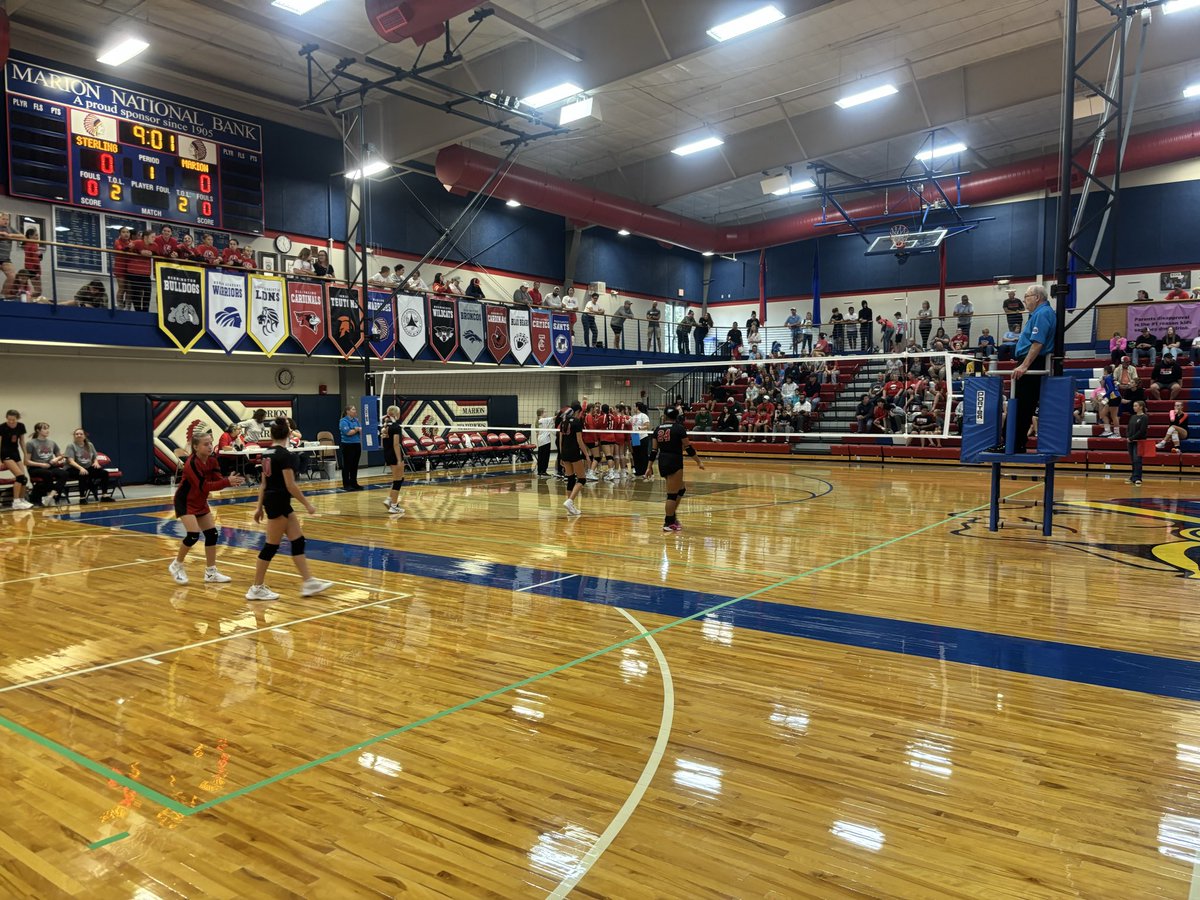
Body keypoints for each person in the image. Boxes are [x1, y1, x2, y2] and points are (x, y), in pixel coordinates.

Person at [246, 418, 334, 600]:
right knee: (271, 546)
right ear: (288, 434)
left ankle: (308, 582)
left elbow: (263, 484)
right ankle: (256, 588)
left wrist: (258, 507)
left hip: (276, 500)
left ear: (271, 434)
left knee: (298, 541)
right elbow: (290, 485)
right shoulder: (284, 455)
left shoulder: (266, 453)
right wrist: (307, 504)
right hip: (278, 501)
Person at [168, 430, 245, 585]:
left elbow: (216, 482)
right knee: (193, 535)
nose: (210, 447)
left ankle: (211, 573)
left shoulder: (212, 461)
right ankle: (176, 565)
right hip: (185, 501)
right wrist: (226, 482)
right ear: (196, 447)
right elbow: (204, 486)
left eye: (211, 443)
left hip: (200, 501)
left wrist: (229, 480)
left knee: (212, 534)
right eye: (206, 444)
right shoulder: (191, 464)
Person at [1001, 284, 1056, 454]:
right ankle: (1015, 442)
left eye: (1026, 296)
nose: (1024, 300)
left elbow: (1038, 342)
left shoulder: (1043, 313)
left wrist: (1024, 365)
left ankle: (1012, 443)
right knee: (1023, 405)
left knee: (1021, 405)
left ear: (1037, 297)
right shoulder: (1038, 314)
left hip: (1032, 363)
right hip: (1029, 361)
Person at [651, 407, 704, 533]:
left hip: (662, 460)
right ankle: (668, 522)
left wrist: (649, 467)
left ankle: (672, 517)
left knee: (681, 488)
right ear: (676, 416)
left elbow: (654, 451)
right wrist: (698, 461)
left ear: (664, 416)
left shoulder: (657, 429)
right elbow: (688, 448)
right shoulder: (679, 428)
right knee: (672, 494)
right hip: (674, 460)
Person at [24, 422, 69, 507]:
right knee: (47, 473)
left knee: (64, 473)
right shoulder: (31, 443)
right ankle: (50, 497)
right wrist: (41, 465)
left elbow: (60, 456)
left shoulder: (52, 443)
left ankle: (50, 496)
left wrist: (57, 459)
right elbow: (26, 462)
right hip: (35, 468)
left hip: (49, 466)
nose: (47, 431)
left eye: (48, 428)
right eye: (44, 429)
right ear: (38, 430)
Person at [64, 428, 113, 501]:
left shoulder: (90, 445)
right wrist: (81, 468)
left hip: (87, 467)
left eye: (81, 434)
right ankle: (82, 498)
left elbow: (95, 456)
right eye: (77, 434)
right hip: (73, 468)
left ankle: (104, 495)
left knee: (104, 473)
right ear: (74, 436)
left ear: (84, 436)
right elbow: (71, 461)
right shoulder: (71, 446)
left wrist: (96, 462)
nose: (79, 435)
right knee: (83, 474)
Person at [559, 401, 588, 516]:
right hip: (574, 453)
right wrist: (586, 454)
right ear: (577, 412)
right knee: (582, 479)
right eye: (580, 412)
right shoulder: (577, 422)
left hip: (565, 453)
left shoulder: (563, 422)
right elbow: (579, 441)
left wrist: (561, 455)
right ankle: (570, 502)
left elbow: (561, 440)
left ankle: (570, 507)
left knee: (571, 479)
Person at [0, 409, 31, 509]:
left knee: (24, 479)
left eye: (13, 420)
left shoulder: (21, 426)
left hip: (15, 453)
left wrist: (25, 455)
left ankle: (22, 500)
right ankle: (16, 501)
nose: (11, 422)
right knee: (19, 476)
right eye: (9, 419)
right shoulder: (2, 427)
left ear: (17, 419)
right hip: (5, 453)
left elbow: (22, 441)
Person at [381, 404, 406, 514]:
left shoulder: (385, 426)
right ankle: (394, 506)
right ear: (396, 414)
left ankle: (390, 499)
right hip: (395, 455)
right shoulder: (396, 427)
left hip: (387, 453)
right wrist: (399, 460)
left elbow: (383, 444)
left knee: (399, 478)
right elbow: (396, 444)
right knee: (398, 480)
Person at [338, 404, 363, 491]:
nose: (355, 411)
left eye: (355, 409)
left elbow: (361, 431)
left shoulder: (356, 420)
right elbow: (348, 432)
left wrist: (356, 430)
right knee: (347, 465)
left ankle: (354, 483)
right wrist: (356, 429)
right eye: (353, 409)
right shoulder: (343, 421)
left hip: (356, 444)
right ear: (348, 411)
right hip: (348, 445)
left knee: (355, 465)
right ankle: (346, 484)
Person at [1126, 400, 1149, 486]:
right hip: (1130, 441)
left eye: (1135, 406)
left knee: (1137, 460)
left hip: (1139, 442)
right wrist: (1128, 437)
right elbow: (1128, 428)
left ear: (1141, 407)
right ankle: (1133, 476)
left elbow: (1142, 431)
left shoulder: (1144, 417)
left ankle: (1138, 477)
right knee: (1133, 460)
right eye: (1133, 406)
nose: (1134, 407)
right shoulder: (1133, 416)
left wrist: (1132, 438)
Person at [0, 213, 22, 298]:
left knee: (12, 276)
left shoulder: (9, 228)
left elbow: (22, 236)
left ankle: (2, 295)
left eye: (7, 219)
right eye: (3, 219)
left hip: (5, 258)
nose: (6, 221)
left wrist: (10, 235)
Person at [630, 401, 652, 477]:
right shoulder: (633, 417)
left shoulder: (643, 415)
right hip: (635, 436)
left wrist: (640, 428)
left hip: (642, 436)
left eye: (634, 406)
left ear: (637, 407)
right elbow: (626, 422)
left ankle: (647, 471)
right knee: (636, 455)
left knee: (643, 455)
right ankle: (638, 471)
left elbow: (647, 425)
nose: (633, 408)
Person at [534, 407, 555, 477]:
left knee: (541, 457)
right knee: (545, 457)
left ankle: (540, 471)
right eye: (545, 412)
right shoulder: (543, 420)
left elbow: (537, 434)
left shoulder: (539, 420)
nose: (546, 413)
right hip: (545, 441)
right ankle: (543, 471)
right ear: (541, 413)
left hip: (541, 441)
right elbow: (554, 418)